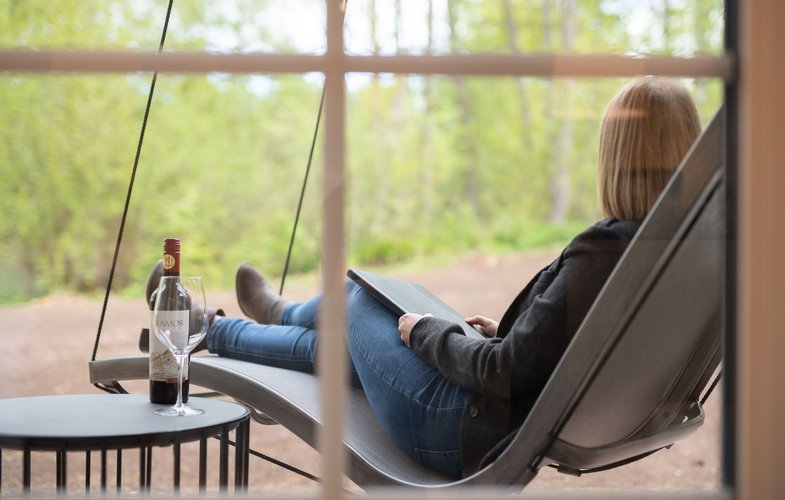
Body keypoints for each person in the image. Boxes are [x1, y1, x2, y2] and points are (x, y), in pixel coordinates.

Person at [147, 77, 701, 479]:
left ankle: (249, 318)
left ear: (615, 157)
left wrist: (432, 335)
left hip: (459, 428)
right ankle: (212, 328)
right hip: (509, 419)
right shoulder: (675, 257)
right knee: (341, 344)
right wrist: (494, 336)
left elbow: (504, 373)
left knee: (357, 298)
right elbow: (546, 356)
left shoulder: (603, 255)